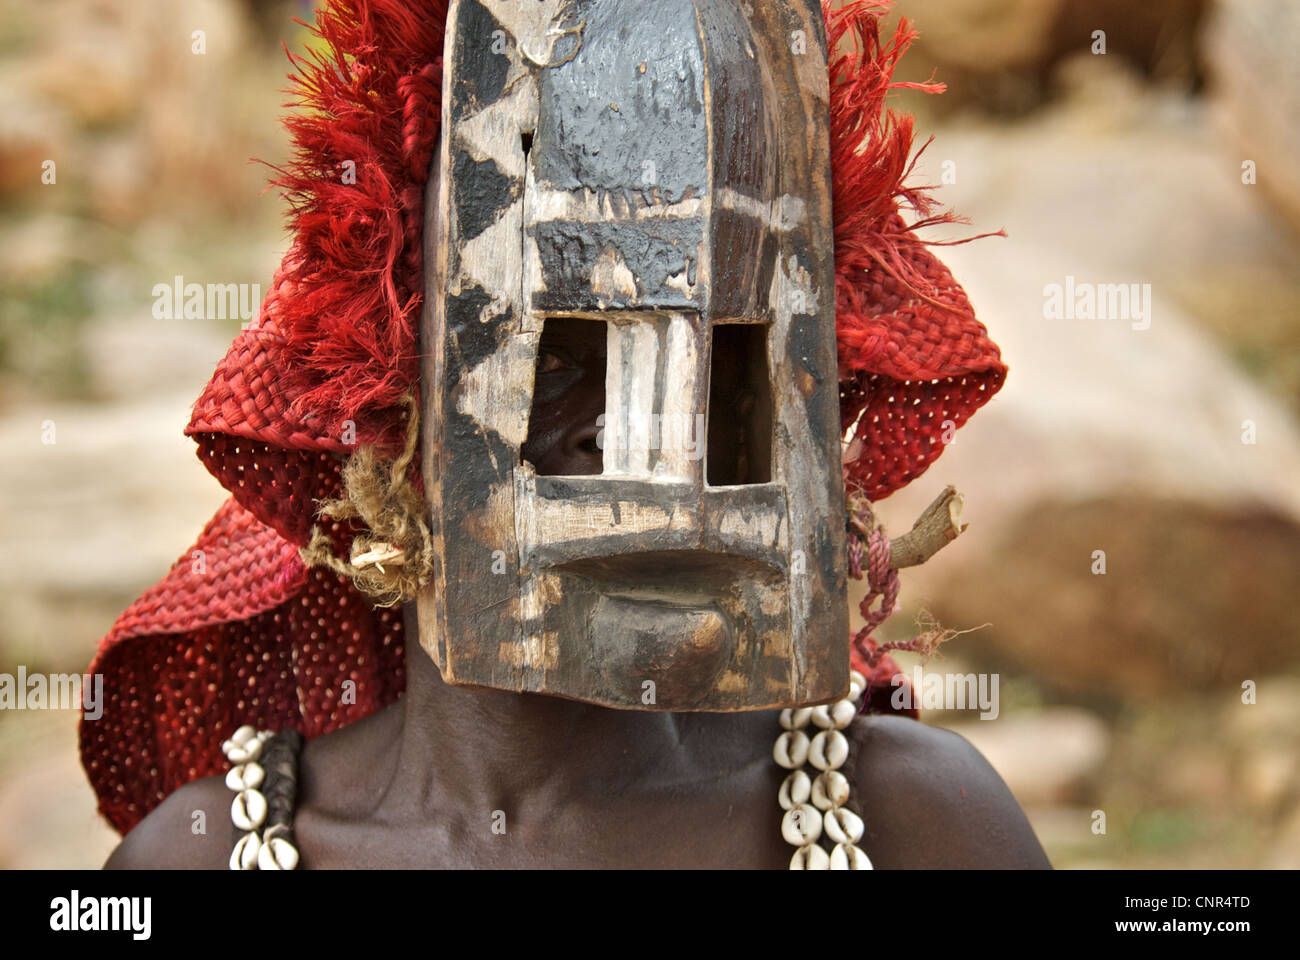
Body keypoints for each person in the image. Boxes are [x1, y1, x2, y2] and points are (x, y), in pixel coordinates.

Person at [88, 0, 1049, 869]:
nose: (663, 437)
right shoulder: (202, 857)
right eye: (564, 356)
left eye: (729, 363)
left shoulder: (913, 822)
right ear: (394, 404)